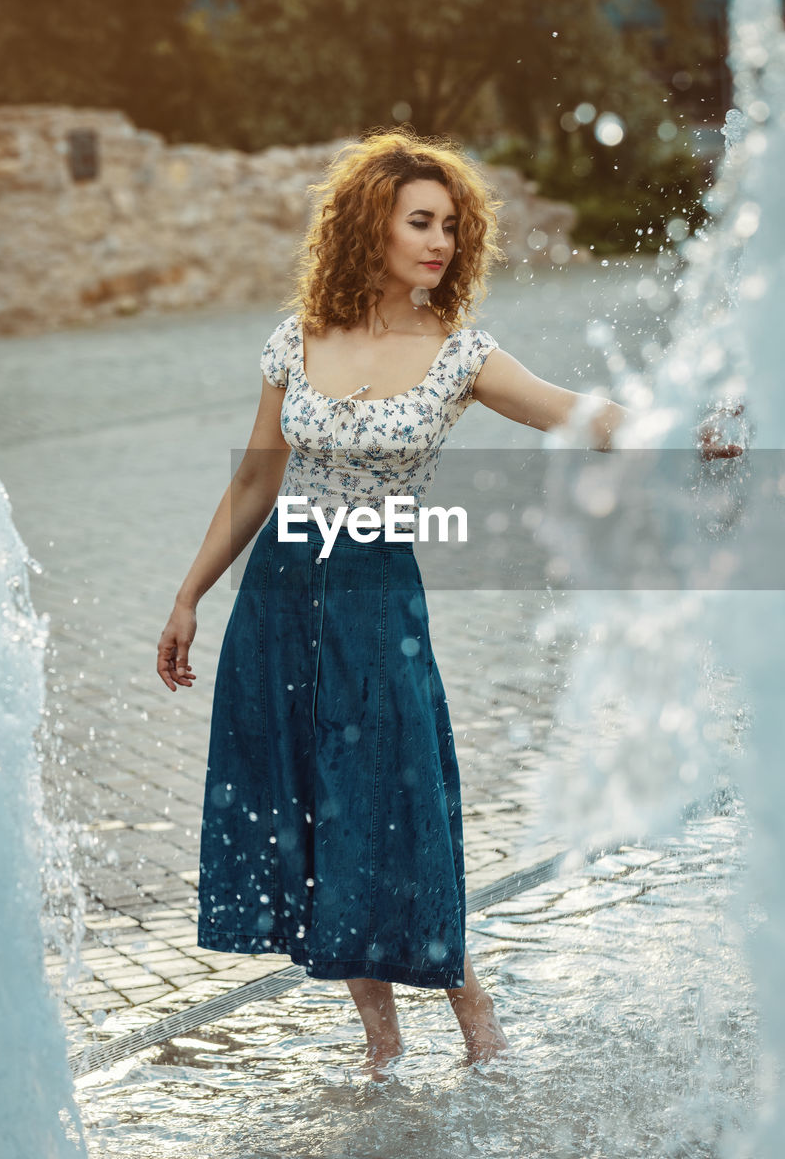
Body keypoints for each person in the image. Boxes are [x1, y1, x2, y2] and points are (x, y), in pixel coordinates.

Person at [157, 129, 742, 1078]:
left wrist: (688, 432)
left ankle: (479, 1027)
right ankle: (380, 1049)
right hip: (278, 596)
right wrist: (188, 596)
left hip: (376, 602)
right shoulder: (294, 337)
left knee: (393, 803)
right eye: (419, 222)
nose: (440, 241)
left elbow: (574, 413)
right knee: (313, 804)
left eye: (451, 225)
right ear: (367, 228)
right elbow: (255, 485)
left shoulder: (460, 353)